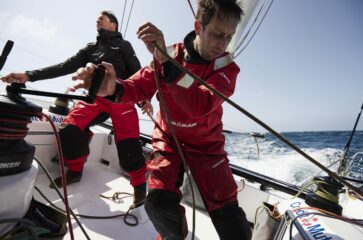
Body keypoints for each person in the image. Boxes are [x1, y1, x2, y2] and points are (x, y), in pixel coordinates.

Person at [70, 0, 252, 239]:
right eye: (217, 33)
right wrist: (113, 88)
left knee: (230, 218)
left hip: (207, 145)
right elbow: (137, 87)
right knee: (157, 202)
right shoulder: (169, 55)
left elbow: (200, 104)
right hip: (169, 141)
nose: (223, 43)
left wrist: (168, 65)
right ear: (199, 26)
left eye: (229, 36)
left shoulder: (227, 69)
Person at [1, 11, 149, 207]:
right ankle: (75, 171)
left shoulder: (124, 46)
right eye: (97, 18)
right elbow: (64, 66)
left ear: (114, 26)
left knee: (128, 146)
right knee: (69, 130)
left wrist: (144, 99)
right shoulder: (90, 48)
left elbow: (137, 73)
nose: (98, 19)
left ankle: (140, 187)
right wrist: (29, 75)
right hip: (93, 98)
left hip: (122, 99)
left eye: (102, 18)